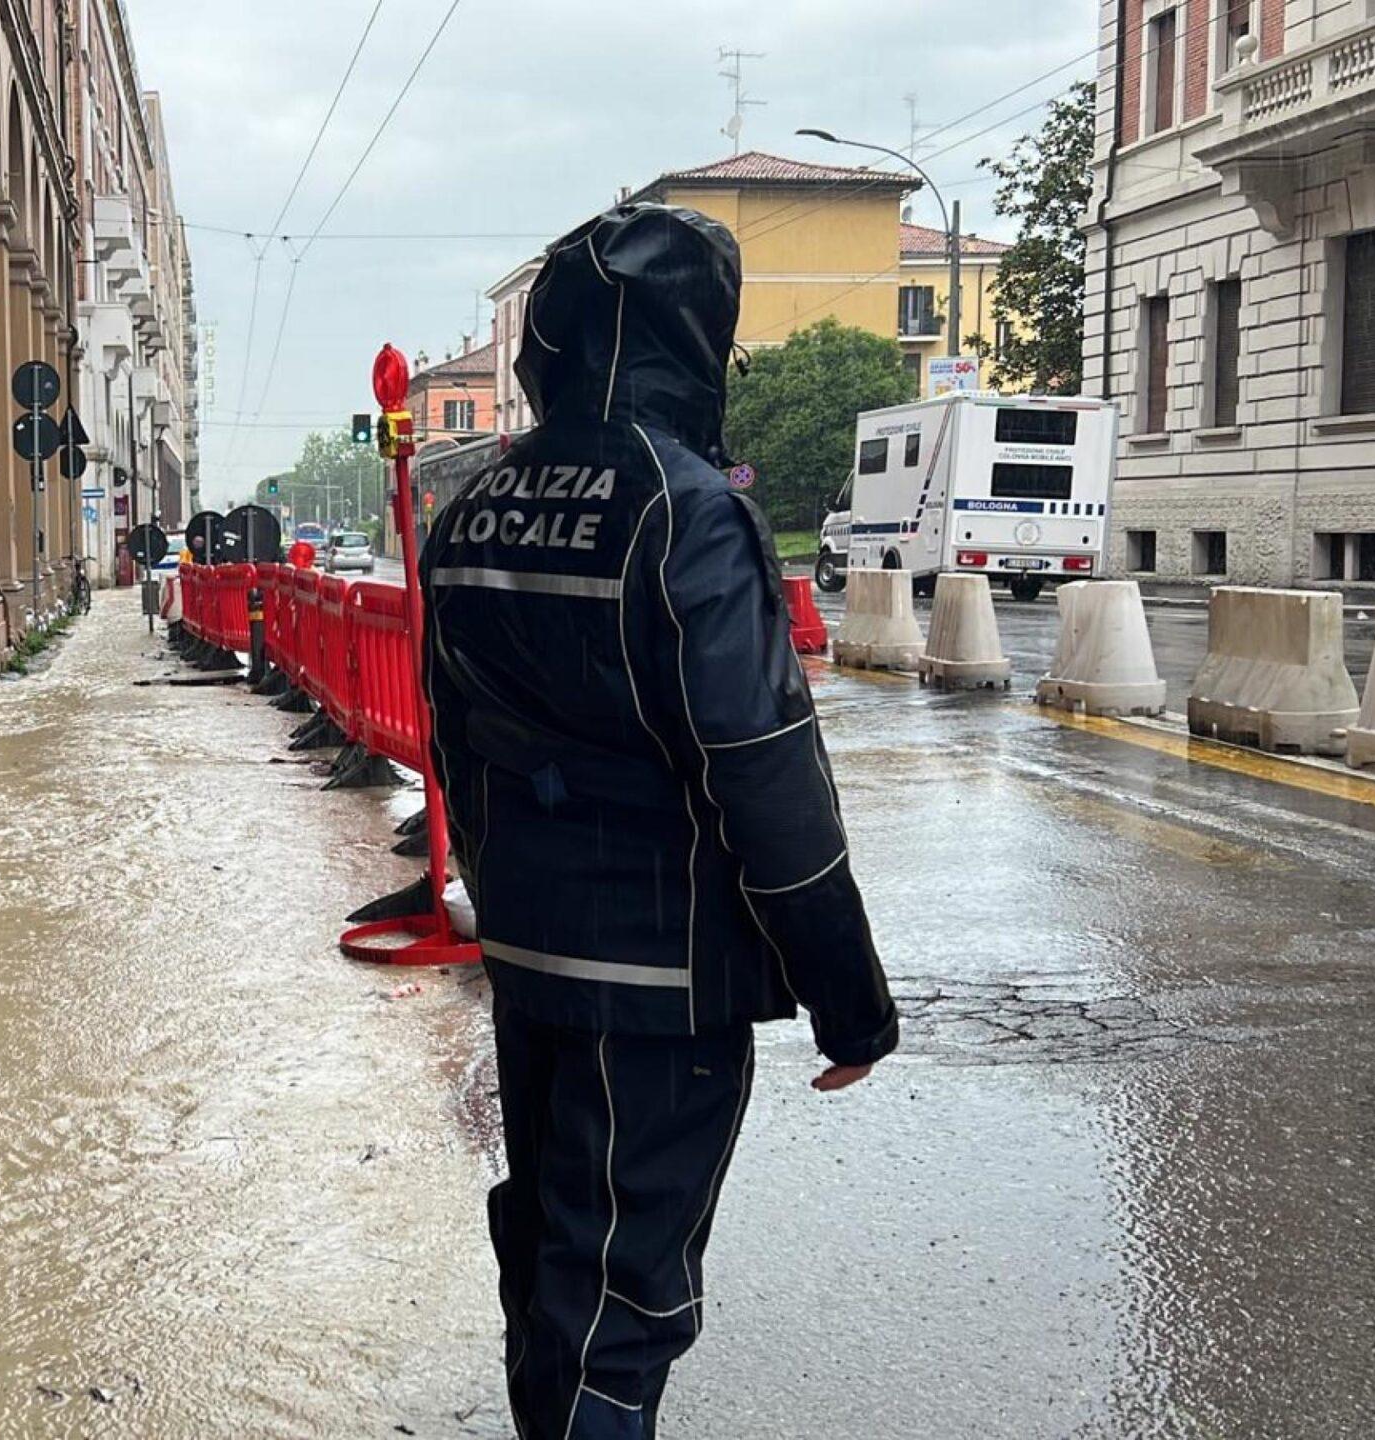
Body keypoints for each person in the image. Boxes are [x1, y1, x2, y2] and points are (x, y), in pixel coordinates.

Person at [416, 203, 900, 1437]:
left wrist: (501, 898)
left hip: (530, 960)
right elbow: (764, 771)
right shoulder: (685, 507)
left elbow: (450, 735)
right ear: (694, 338)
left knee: (550, 1249)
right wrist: (845, 997)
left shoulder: (472, 505)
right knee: (623, 1296)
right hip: (664, 974)